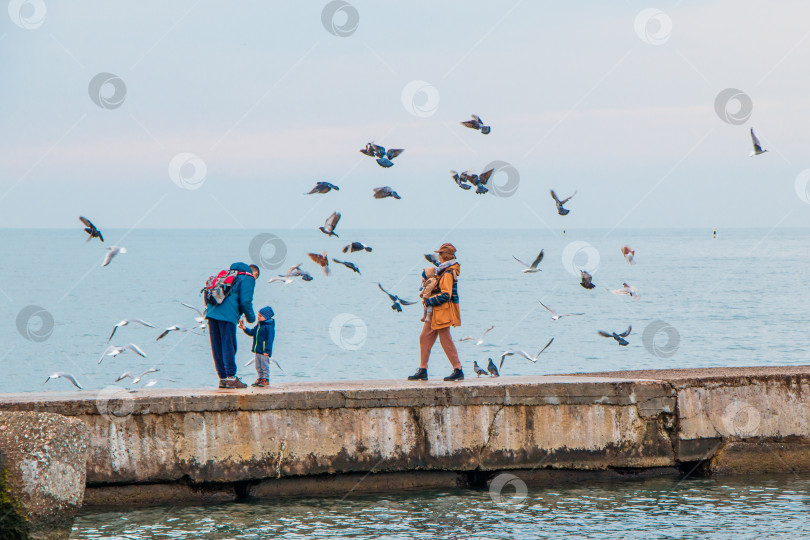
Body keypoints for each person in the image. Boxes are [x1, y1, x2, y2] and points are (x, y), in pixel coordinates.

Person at [409, 243, 463, 382]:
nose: (438, 257)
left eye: (439, 254)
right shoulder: (443, 271)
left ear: (443, 256)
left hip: (443, 311)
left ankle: (458, 369)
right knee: (424, 337)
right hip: (435, 312)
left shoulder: (448, 273)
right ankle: (423, 369)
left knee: (446, 340)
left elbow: (446, 295)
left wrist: (429, 301)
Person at [206, 262, 259, 389]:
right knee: (228, 344)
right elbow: (246, 301)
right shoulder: (248, 277)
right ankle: (231, 378)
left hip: (212, 312)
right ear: (255, 273)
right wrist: (251, 319)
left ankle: (223, 379)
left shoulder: (228, 274)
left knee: (217, 345)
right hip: (227, 315)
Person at [239, 306, 276, 387]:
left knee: (264, 365)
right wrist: (244, 328)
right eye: (258, 315)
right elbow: (252, 332)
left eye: (260, 316)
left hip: (264, 351)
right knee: (257, 365)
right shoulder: (258, 325)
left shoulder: (269, 327)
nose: (258, 317)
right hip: (257, 350)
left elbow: (270, 340)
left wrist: (267, 350)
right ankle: (260, 378)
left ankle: (265, 379)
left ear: (266, 317)